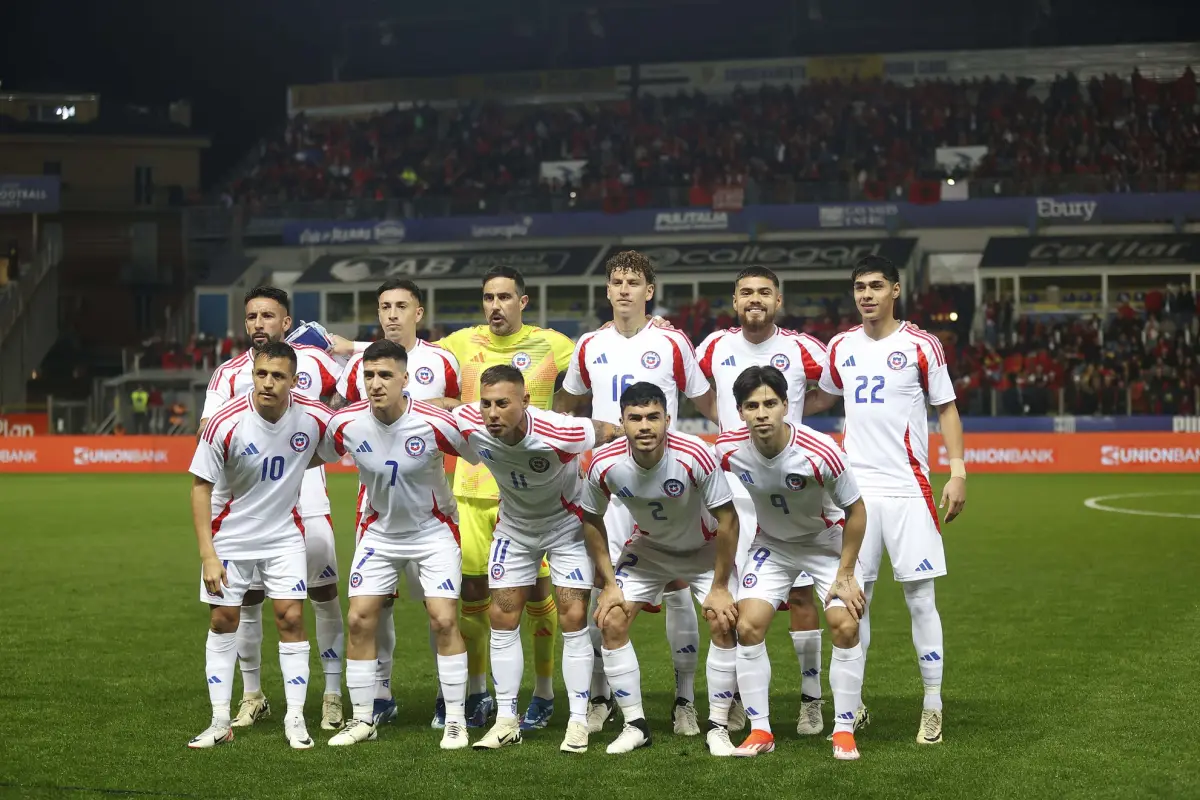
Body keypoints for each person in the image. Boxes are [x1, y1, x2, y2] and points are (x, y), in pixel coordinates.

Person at [806, 255, 968, 745]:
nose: (867, 295)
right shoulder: (841, 346)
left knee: (921, 600)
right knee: (856, 601)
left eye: (877, 285)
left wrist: (958, 470)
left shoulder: (921, 345)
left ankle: (933, 706)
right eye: (859, 287)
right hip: (855, 495)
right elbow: (822, 397)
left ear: (895, 290)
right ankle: (851, 710)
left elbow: (947, 408)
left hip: (909, 491)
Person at [557, 250, 717, 736]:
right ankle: (604, 698)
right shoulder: (589, 345)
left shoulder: (672, 341)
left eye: (633, 282)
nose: (624, 289)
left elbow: (705, 400)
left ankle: (685, 699)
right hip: (610, 483)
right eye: (616, 281)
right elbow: (566, 403)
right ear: (606, 290)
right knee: (601, 592)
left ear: (649, 291)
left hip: (662, 481)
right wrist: (581, 430)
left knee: (677, 590)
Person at [200, 286, 348, 732]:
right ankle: (252, 695)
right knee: (246, 601)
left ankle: (333, 695)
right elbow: (209, 430)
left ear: (287, 322)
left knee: (322, 594)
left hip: (308, 496)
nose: (258, 324)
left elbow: (348, 403)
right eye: (251, 317)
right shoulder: (227, 375)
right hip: (248, 504)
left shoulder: (315, 362)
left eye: (268, 316)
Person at [696, 265, 835, 736]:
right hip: (733, 489)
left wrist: (796, 414)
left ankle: (811, 700)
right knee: (733, 598)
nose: (755, 299)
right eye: (746, 293)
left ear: (778, 301)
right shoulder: (714, 345)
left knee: (799, 595)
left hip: (786, 488)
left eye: (764, 293)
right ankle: (734, 700)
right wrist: (725, 423)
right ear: (735, 301)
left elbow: (831, 389)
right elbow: (698, 393)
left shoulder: (803, 347)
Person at [453, 365, 622, 753]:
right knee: (502, 616)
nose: (492, 413)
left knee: (573, 617)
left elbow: (610, 430)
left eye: (503, 404)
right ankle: (506, 720)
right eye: (487, 404)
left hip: (566, 526)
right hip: (514, 527)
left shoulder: (560, 431)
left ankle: (578, 721)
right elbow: (445, 408)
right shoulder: (471, 421)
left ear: (526, 402)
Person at [319, 340, 474, 750]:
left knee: (443, 619)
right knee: (359, 619)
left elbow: (480, 452)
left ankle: (456, 720)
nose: (376, 383)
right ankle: (363, 718)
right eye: (369, 375)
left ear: (406, 379)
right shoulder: (347, 422)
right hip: (380, 532)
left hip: (433, 531)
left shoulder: (432, 421)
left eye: (385, 375)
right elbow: (317, 451)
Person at [713, 366, 867, 760]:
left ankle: (845, 729)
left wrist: (846, 573)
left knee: (845, 625)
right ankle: (761, 730)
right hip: (773, 544)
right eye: (752, 406)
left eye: (769, 404)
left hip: (825, 542)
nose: (761, 413)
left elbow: (856, 510)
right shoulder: (727, 450)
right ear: (740, 412)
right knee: (747, 626)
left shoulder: (821, 451)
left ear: (785, 406)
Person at [581, 382, 741, 756]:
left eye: (653, 417)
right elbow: (590, 519)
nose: (645, 426)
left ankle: (717, 726)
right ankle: (635, 725)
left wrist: (719, 584)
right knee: (610, 619)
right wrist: (607, 582)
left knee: (723, 618)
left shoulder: (695, 454)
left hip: (702, 549)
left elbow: (728, 520)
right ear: (622, 422)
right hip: (650, 549)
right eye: (635, 418)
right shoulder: (605, 463)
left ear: (668, 419)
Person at [186, 341, 332, 750]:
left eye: (278, 376)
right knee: (222, 621)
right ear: (254, 374)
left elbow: (341, 439)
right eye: (262, 374)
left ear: (293, 380)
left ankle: (296, 719)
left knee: (290, 620)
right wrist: (208, 555)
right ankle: (219, 721)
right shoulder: (225, 422)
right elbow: (200, 489)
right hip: (231, 538)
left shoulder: (312, 415)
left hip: (284, 535)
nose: (268, 383)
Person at [333, 278, 461, 729]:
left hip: (429, 504)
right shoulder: (359, 365)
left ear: (418, 312)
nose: (391, 314)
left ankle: (450, 700)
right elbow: (347, 422)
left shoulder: (442, 359)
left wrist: (440, 403)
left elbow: (463, 415)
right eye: (384, 306)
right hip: (376, 506)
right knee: (375, 605)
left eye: (400, 306)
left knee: (438, 607)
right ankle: (380, 694)